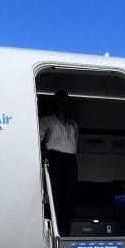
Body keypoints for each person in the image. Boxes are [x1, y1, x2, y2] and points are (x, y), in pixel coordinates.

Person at [39, 89, 78, 237]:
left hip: (70, 160)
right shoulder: (47, 120)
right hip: (55, 157)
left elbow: (75, 144)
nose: (62, 103)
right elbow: (39, 141)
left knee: (69, 197)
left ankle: (65, 233)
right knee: (55, 196)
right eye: (59, 100)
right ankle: (54, 232)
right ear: (55, 103)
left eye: (65, 100)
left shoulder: (74, 124)